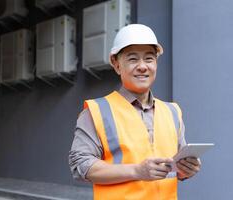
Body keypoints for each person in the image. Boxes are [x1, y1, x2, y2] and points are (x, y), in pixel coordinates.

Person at [69, 24, 201, 200]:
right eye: (132, 59)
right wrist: (136, 171)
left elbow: (175, 168)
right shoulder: (96, 111)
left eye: (149, 59)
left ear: (156, 63)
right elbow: (81, 166)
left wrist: (186, 170)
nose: (142, 66)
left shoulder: (172, 112)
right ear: (116, 65)